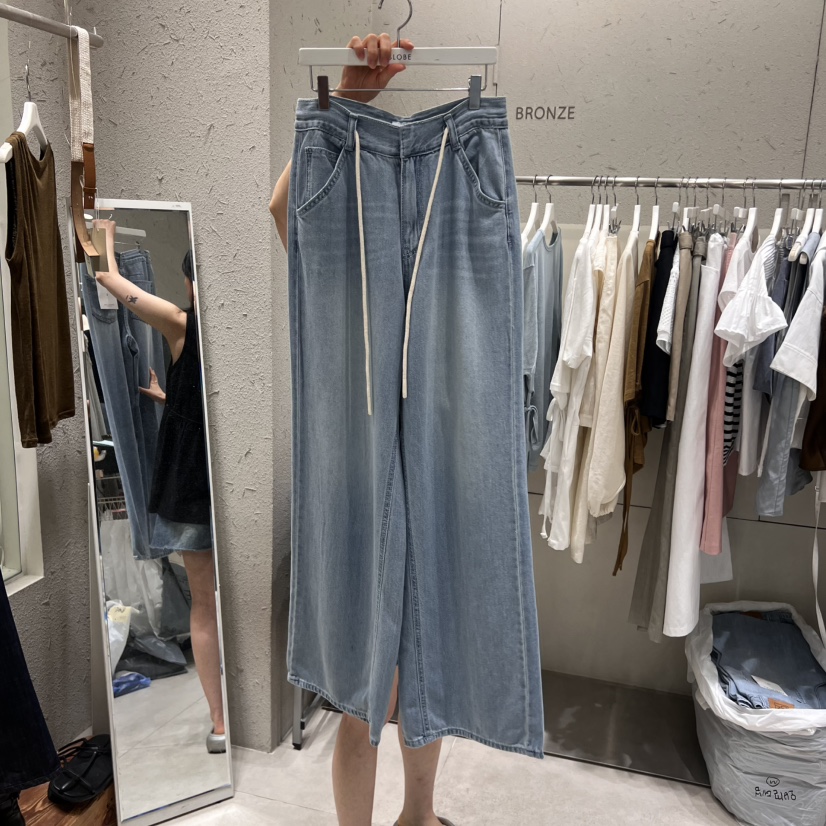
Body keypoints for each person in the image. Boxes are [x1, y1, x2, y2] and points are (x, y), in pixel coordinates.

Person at [270, 33, 453, 826]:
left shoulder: (450, 272)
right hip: (358, 480)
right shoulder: (347, 275)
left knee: (423, 673)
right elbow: (286, 207)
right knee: (362, 688)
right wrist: (346, 103)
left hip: (436, 470)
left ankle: (419, 817)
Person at [92, 223, 225, 755]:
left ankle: (220, 722)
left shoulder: (181, 323)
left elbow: (110, 282)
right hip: (226, 482)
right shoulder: (232, 337)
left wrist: (103, 237)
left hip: (192, 487)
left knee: (204, 606)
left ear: (190, 284)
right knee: (226, 604)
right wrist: (170, 399)